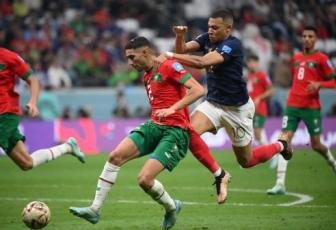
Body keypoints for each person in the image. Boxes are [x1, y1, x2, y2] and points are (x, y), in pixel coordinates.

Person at [69, 36, 205, 230]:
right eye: (128, 58)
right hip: (154, 125)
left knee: (144, 179)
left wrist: (172, 109)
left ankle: (171, 207)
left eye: (132, 57)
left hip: (175, 130)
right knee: (115, 156)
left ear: (145, 52)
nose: (130, 63)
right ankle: (95, 209)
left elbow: (198, 89)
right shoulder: (146, 75)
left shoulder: (168, 66)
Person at [165, 9, 292, 202]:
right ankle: (220, 175)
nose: (210, 31)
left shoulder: (233, 45)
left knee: (246, 161)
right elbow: (182, 50)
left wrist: (169, 55)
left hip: (238, 110)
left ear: (228, 29)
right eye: (209, 26)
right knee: (186, 132)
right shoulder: (206, 38)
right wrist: (180, 37)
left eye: (215, 27)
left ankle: (280, 145)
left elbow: (200, 62)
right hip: (213, 105)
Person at [267, 26, 336, 195]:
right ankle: (280, 183)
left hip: (311, 107)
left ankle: (335, 165)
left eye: (310, 36)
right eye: (304, 36)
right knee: (284, 140)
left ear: (315, 39)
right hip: (293, 106)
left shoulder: (322, 58)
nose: (307, 39)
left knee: (317, 145)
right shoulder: (296, 57)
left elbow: (334, 82)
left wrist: (319, 84)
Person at [0, 47, 85, 171]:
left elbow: (33, 80)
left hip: (5, 113)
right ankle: (67, 147)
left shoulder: (9, 57)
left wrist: (33, 102)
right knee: (26, 163)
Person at [245, 54, 277, 168]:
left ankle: (273, 155)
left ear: (257, 63)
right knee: (252, 135)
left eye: (253, 62)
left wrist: (260, 97)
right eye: (249, 62)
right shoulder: (249, 76)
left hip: (260, 109)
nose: (251, 64)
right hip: (249, 110)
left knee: (258, 133)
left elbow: (272, 90)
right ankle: (248, 158)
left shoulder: (262, 75)